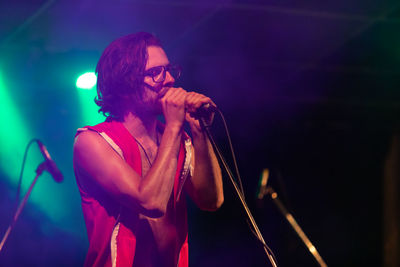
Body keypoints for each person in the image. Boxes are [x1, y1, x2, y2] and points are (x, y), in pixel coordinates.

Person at [73, 32, 224, 267]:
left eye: (169, 69)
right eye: (156, 73)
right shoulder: (93, 142)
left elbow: (211, 200)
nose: (170, 79)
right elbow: (150, 202)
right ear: (124, 86)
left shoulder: (175, 139)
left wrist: (199, 132)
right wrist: (175, 125)